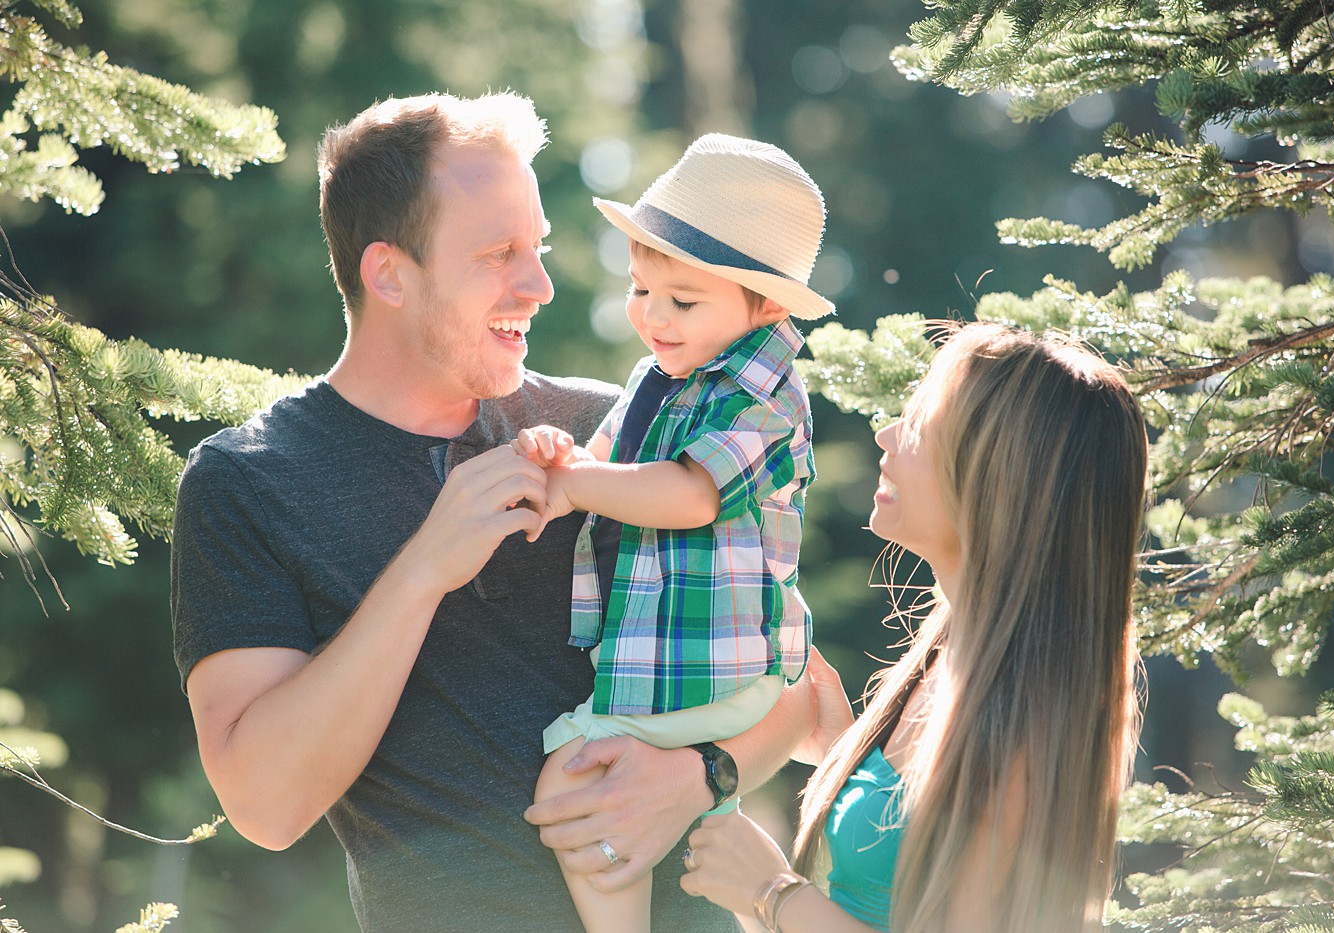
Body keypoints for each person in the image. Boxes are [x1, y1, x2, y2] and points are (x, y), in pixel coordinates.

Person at [170, 91, 810, 932]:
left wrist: (700, 775)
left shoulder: (610, 434)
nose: (541, 285)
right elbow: (267, 803)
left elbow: (803, 693)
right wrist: (425, 567)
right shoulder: (248, 480)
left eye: (537, 248)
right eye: (500, 253)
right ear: (388, 272)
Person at [679, 322, 1149, 932]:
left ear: (996, 482)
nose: (887, 434)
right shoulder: (951, 664)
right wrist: (848, 758)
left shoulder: (1024, 723)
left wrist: (771, 893)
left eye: (921, 425)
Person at [508, 134, 832, 932]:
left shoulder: (764, 392)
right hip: (665, 670)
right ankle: (748, 901)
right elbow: (607, 464)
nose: (653, 316)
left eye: (682, 301)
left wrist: (576, 483)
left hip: (715, 669)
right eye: (640, 287)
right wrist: (564, 461)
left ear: (769, 306)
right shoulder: (661, 376)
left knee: (571, 779)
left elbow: (691, 494)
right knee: (698, 844)